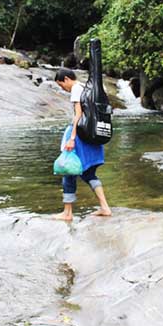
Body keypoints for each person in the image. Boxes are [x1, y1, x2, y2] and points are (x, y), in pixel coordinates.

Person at [52, 68, 112, 221]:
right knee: (89, 173)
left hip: (79, 137)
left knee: (68, 171)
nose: (63, 89)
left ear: (66, 79)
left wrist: (71, 138)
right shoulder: (88, 88)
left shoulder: (76, 89)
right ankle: (105, 207)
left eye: (61, 85)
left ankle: (67, 213)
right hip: (92, 136)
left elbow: (78, 114)